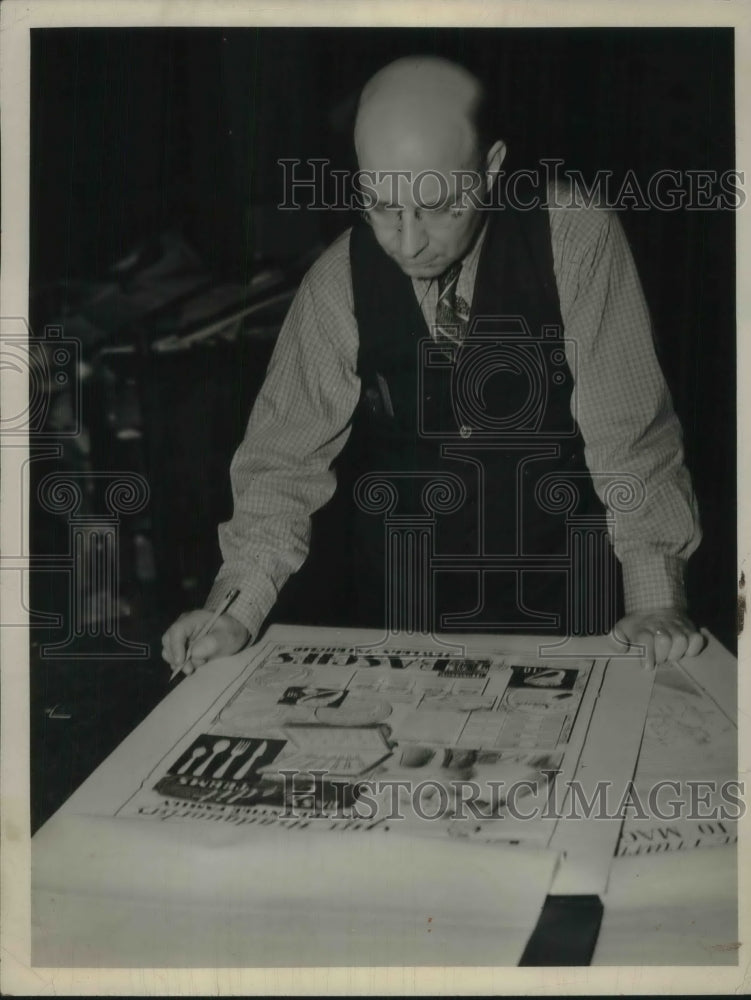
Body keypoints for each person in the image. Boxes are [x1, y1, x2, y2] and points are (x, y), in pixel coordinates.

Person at [162, 56, 704, 675]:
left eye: (438, 205)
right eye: (382, 204)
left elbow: (630, 437)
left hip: (573, 605)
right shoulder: (337, 281)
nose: (407, 239)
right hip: (403, 621)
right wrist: (233, 606)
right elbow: (283, 465)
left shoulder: (575, 239)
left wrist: (657, 600)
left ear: (492, 168)